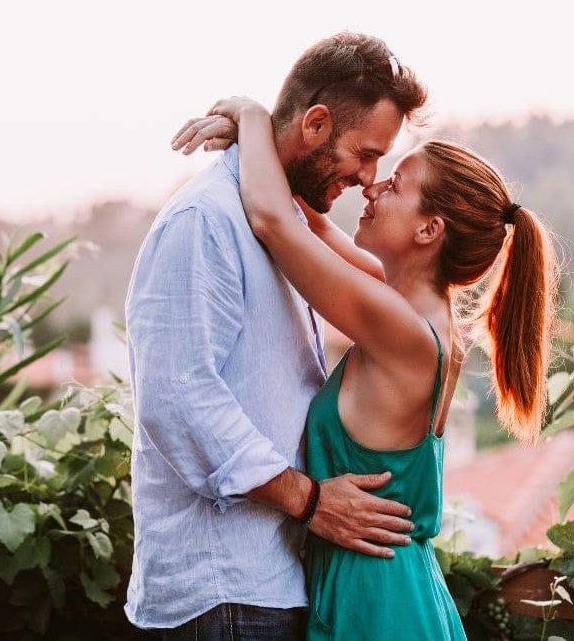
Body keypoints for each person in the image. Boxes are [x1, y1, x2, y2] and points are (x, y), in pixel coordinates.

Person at [170, 96, 558, 639]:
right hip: (388, 588)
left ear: (429, 230)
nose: (372, 189)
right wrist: (268, 143)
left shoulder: (404, 331)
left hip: (377, 602)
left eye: (395, 185)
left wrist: (252, 113)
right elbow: (309, 224)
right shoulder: (415, 315)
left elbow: (274, 222)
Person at [124, 32, 428, 640]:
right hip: (223, 592)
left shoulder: (285, 223)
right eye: (366, 153)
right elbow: (179, 398)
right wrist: (309, 500)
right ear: (315, 123)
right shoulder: (206, 220)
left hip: (272, 581)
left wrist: (251, 117)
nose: (369, 178)